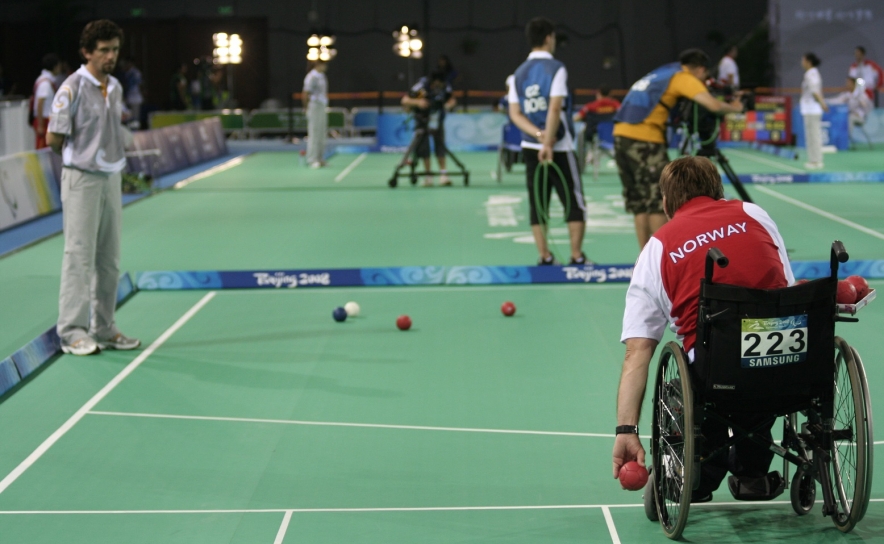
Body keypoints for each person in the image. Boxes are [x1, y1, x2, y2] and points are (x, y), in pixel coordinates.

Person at [612, 155, 793, 502]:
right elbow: (787, 285)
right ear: (719, 192)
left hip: (718, 373)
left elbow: (638, 352)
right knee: (761, 361)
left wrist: (626, 429)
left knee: (706, 377)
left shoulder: (657, 249)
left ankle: (700, 476)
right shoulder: (755, 214)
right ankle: (752, 473)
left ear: (665, 203)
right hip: (787, 360)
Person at [46, 19, 140, 356]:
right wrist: (82, 159)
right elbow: (53, 139)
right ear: (87, 52)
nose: (110, 56)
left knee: (109, 259)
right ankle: (72, 332)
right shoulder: (71, 87)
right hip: (82, 179)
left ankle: (103, 327)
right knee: (79, 255)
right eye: (103, 50)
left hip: (111, 177)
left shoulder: (114, 86)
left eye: (114, 49)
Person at [613, 49, 744, 250]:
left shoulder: (662, 72)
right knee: (658, 201)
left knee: (639, 203)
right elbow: (712, 105)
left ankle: (645, 260)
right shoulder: (683, 77)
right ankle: (662, 260)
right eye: (705, 78)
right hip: (644, 140)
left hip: (620, 134)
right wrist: (736, 108)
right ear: (700, 70)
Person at [508, 17, 588, 265]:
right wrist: (548, 143)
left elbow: (515, 114)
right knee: (574, 201)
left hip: (530, 146)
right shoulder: (556, 68)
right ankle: (576, 257)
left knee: (537, 202)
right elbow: (555, 109)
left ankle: (545, 257)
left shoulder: (517, 74)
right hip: (559, 147)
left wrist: (537, 136)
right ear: (548, 38)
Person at [401, 70, 457, 186]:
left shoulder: (445, 86)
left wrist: (448, 105)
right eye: (439, 83)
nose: (441, 85)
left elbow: (452, 99)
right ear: (434, 82)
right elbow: (405, 100)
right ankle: (428, 176)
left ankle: (444, 175)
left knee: (440, 147)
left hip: (437, 121)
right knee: (424, 149)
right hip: (422, 120)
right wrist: (417, 102)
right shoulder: (420, 86)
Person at [800, 52, 829, 170]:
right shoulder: (811, 73)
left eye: (803, 60)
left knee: (814, 136)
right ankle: (813, 160)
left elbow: (815, 91)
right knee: (810, 136)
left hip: (812, 109)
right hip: (809, 109)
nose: (801, 62)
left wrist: (822, 103)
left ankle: (817, 161)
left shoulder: (811, 74)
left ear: (809, 62)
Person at [828, 77, 873, 143]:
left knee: (850, 118)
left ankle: (846, 139)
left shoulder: (861, 94)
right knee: (839, 118)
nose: (847, 85)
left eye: (849, 83)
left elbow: (868, 107)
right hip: (848, 115)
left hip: (860, 117)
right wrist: (824, 101)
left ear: (854, 84)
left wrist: (861, 113)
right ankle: (836, 139)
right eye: (847, 83)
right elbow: (837, 100)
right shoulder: (847, 95)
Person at [303, 60, 329, 169]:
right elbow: (305, 93)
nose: (326, 66)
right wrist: (306, 108)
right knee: (314, 133)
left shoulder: (322, 76)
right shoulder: (311, 76)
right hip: (314, 106)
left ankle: (320, 158)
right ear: (318, 65)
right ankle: (311, 159)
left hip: (322, 105)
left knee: (322, 133)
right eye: (324, 64)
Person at [33, 53, 63, 149]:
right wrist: (41, 125)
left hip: (46, 120)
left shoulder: (48, 80)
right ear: (54, 67)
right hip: (44, 120)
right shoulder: (45, 83)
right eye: (59, 66)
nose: (60, 68)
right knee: (43, 147)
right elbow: (40, 103)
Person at [120, 58, 143, 128]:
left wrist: (143, 95)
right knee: (127, 117)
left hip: (135, 98)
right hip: (128, 98)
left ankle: (136, 133)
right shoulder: (126, 73)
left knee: (135, 118)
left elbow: (140, 85)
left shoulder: (136, 73)